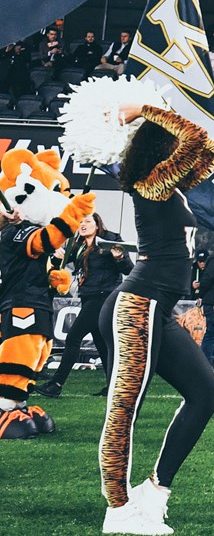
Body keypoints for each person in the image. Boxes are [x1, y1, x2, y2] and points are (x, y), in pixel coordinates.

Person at [97, 102, 214, 534]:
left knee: (205, 392)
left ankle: (154, 494)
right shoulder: (149, 183)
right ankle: (118, 510)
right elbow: (194, 139)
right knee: (125, 407)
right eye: (170, 141)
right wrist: (143, 110)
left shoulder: (170, 187)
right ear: (162, 146)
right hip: (138, 304)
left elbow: (208, 148)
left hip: (158, 307)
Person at [0, 150, 96, 441]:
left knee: (38, 355)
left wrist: (56, 277)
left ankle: (18, 404)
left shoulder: (23, 231)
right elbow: (45, 240)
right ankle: (4, 405)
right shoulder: (15, 232)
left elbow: (42, 263)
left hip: (38, 302)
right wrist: (72, 215)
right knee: (21, 353)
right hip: (20, 304)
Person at [37, 214, 131, 398]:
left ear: (97, 225)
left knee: (73, 337)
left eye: (87, 221)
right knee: (101, 343)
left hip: (104, 296)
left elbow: (129, 269)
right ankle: (114, 387)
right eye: (81, 222)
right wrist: (57, 257)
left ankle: (56, 384)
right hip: (89, 296)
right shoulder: (78, 244)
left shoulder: (110, 240)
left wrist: (119, 257)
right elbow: (61, 263)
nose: (83, 225)